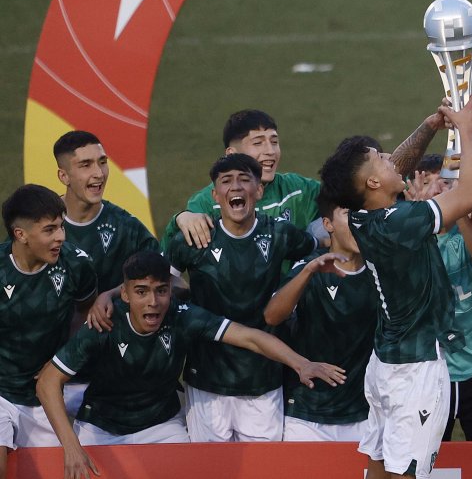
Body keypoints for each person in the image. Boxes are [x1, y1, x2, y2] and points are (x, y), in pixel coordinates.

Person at [36, 251, 344, 478]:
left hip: (161, 427)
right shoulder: (104, 323)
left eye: (161, 291)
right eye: (141, 292)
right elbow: (47, 382)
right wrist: (72, 445)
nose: (153, 302)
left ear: (170, 291)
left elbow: (250, 337)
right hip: (101, 428)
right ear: (126, 294)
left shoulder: (184, 315)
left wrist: (301, 364)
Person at [319, 96, 472, 479]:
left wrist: (429, 128)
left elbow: (395, 169)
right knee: (406, 474)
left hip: (385, 365)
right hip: (416, 369)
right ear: (373, 182)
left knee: (379, 465)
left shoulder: (362, 216)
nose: (391, 159)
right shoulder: (400, 222)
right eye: (380, 158)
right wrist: (466, 130)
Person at [166, 153, 320, 442]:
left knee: (262, 471)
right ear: (215, 194)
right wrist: (188, 303)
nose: (235, 187)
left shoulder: (279, 233)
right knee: (210, 471)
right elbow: (163, 282)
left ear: (259, 190)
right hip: (206, 383)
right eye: (226, 181)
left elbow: (315, 245)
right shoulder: (194, 239)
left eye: (244, 179)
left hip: (262, 382)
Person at [165, 107, 452, 250]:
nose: (269, 151)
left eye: (274, 141)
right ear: (230, 153)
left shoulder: (298, 189)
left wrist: (425, 130)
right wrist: (182, 217)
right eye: (258, 143)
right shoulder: (204, 202)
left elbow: (364, 185)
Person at [52, 130, 160, 415]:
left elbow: (171, 283)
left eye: (102, 162)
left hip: (110, 380)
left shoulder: (126, 227)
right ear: (64, 176)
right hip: (53, 377)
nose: (99, 173)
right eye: (86, 165)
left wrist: (112, 294)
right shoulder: (42, 224)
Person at [408, 155, 472, 442]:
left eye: (444, 184)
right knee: (421, 461)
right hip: (430, 372)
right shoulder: (405, 237)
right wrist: (418, 226)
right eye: (427, 183)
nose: (437, 191)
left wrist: (459, 214)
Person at [263, 192, 378, 442]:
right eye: (349, 214)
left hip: (364, 414)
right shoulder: (309, 268)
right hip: (307, 416)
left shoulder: (379, 270)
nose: (358, 222)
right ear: (327, 225)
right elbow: (272, 316)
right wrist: (308, 272)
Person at [0, 185, 97, 479]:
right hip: (1, 389)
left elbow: (85, 311)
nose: (61, 237)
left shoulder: (77, 265)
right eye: (50, 230)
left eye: (61, 227)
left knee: (71, 469)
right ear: (21, 235)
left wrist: (62, 361)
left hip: (47, 394)